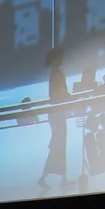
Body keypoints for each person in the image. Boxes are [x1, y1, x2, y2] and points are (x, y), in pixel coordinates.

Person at [39, 48, 71, 190]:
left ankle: (61, 177)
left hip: (57, 113)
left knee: (59, 145)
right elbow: (60, 94)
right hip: (57, 114)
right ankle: (45, 177)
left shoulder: (54, 73)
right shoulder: (56, 73)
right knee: (58, 145)